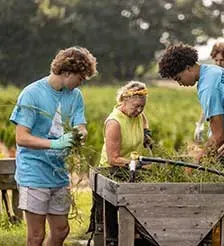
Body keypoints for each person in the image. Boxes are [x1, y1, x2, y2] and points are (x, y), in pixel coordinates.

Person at [158, 43, 224, 246]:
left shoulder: (208, 87)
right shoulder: (211, 71)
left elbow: (218, 137)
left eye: (179, 78)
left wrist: (195, 164)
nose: (179, 83)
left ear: (189, 67)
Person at [10, 46, 97, 246]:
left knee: (61, 230)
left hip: (58, 171)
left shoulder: (75, 95)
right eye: (81, 77)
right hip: (33, 172)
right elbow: (21, 138)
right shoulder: (31, 94)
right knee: (36, 235)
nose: (82, 82)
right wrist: (55, 143)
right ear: (66, 72)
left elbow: (80, 125)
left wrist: (79, 134)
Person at [99, 81, 152, 167]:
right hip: (112, 172)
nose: (139, 110)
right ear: (125, 101)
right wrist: (136, 164)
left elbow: (143, 117)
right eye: (136, 106)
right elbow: (113, 159)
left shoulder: (138, 115)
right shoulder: (114, 123)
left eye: (142, 106)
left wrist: (145, 131)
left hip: (132, 169)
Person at [194, 42, 224, 143]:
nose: (218, 63)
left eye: (222, 60)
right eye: (216, 60)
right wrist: (200, 124)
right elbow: (210, 103)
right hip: (216, 125)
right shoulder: (213, 77)